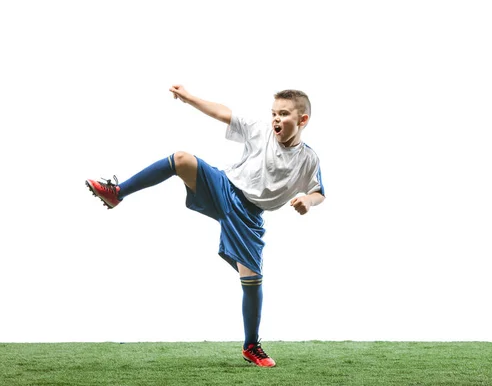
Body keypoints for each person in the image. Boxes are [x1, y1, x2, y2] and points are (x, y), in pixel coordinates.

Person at [85, 85, 325, 367]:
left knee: (251, 279)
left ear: (302, 120)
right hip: (223, 187)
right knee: (182, 159)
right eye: (273, 113)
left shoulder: (308, 159)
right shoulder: (260, 130)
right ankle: (117, 193)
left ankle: (251, 346)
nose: (275, 119)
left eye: (283, 114)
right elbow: (224, 113)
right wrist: (190, 99)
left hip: (248, 216)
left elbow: (319, 191)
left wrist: (307, 201)